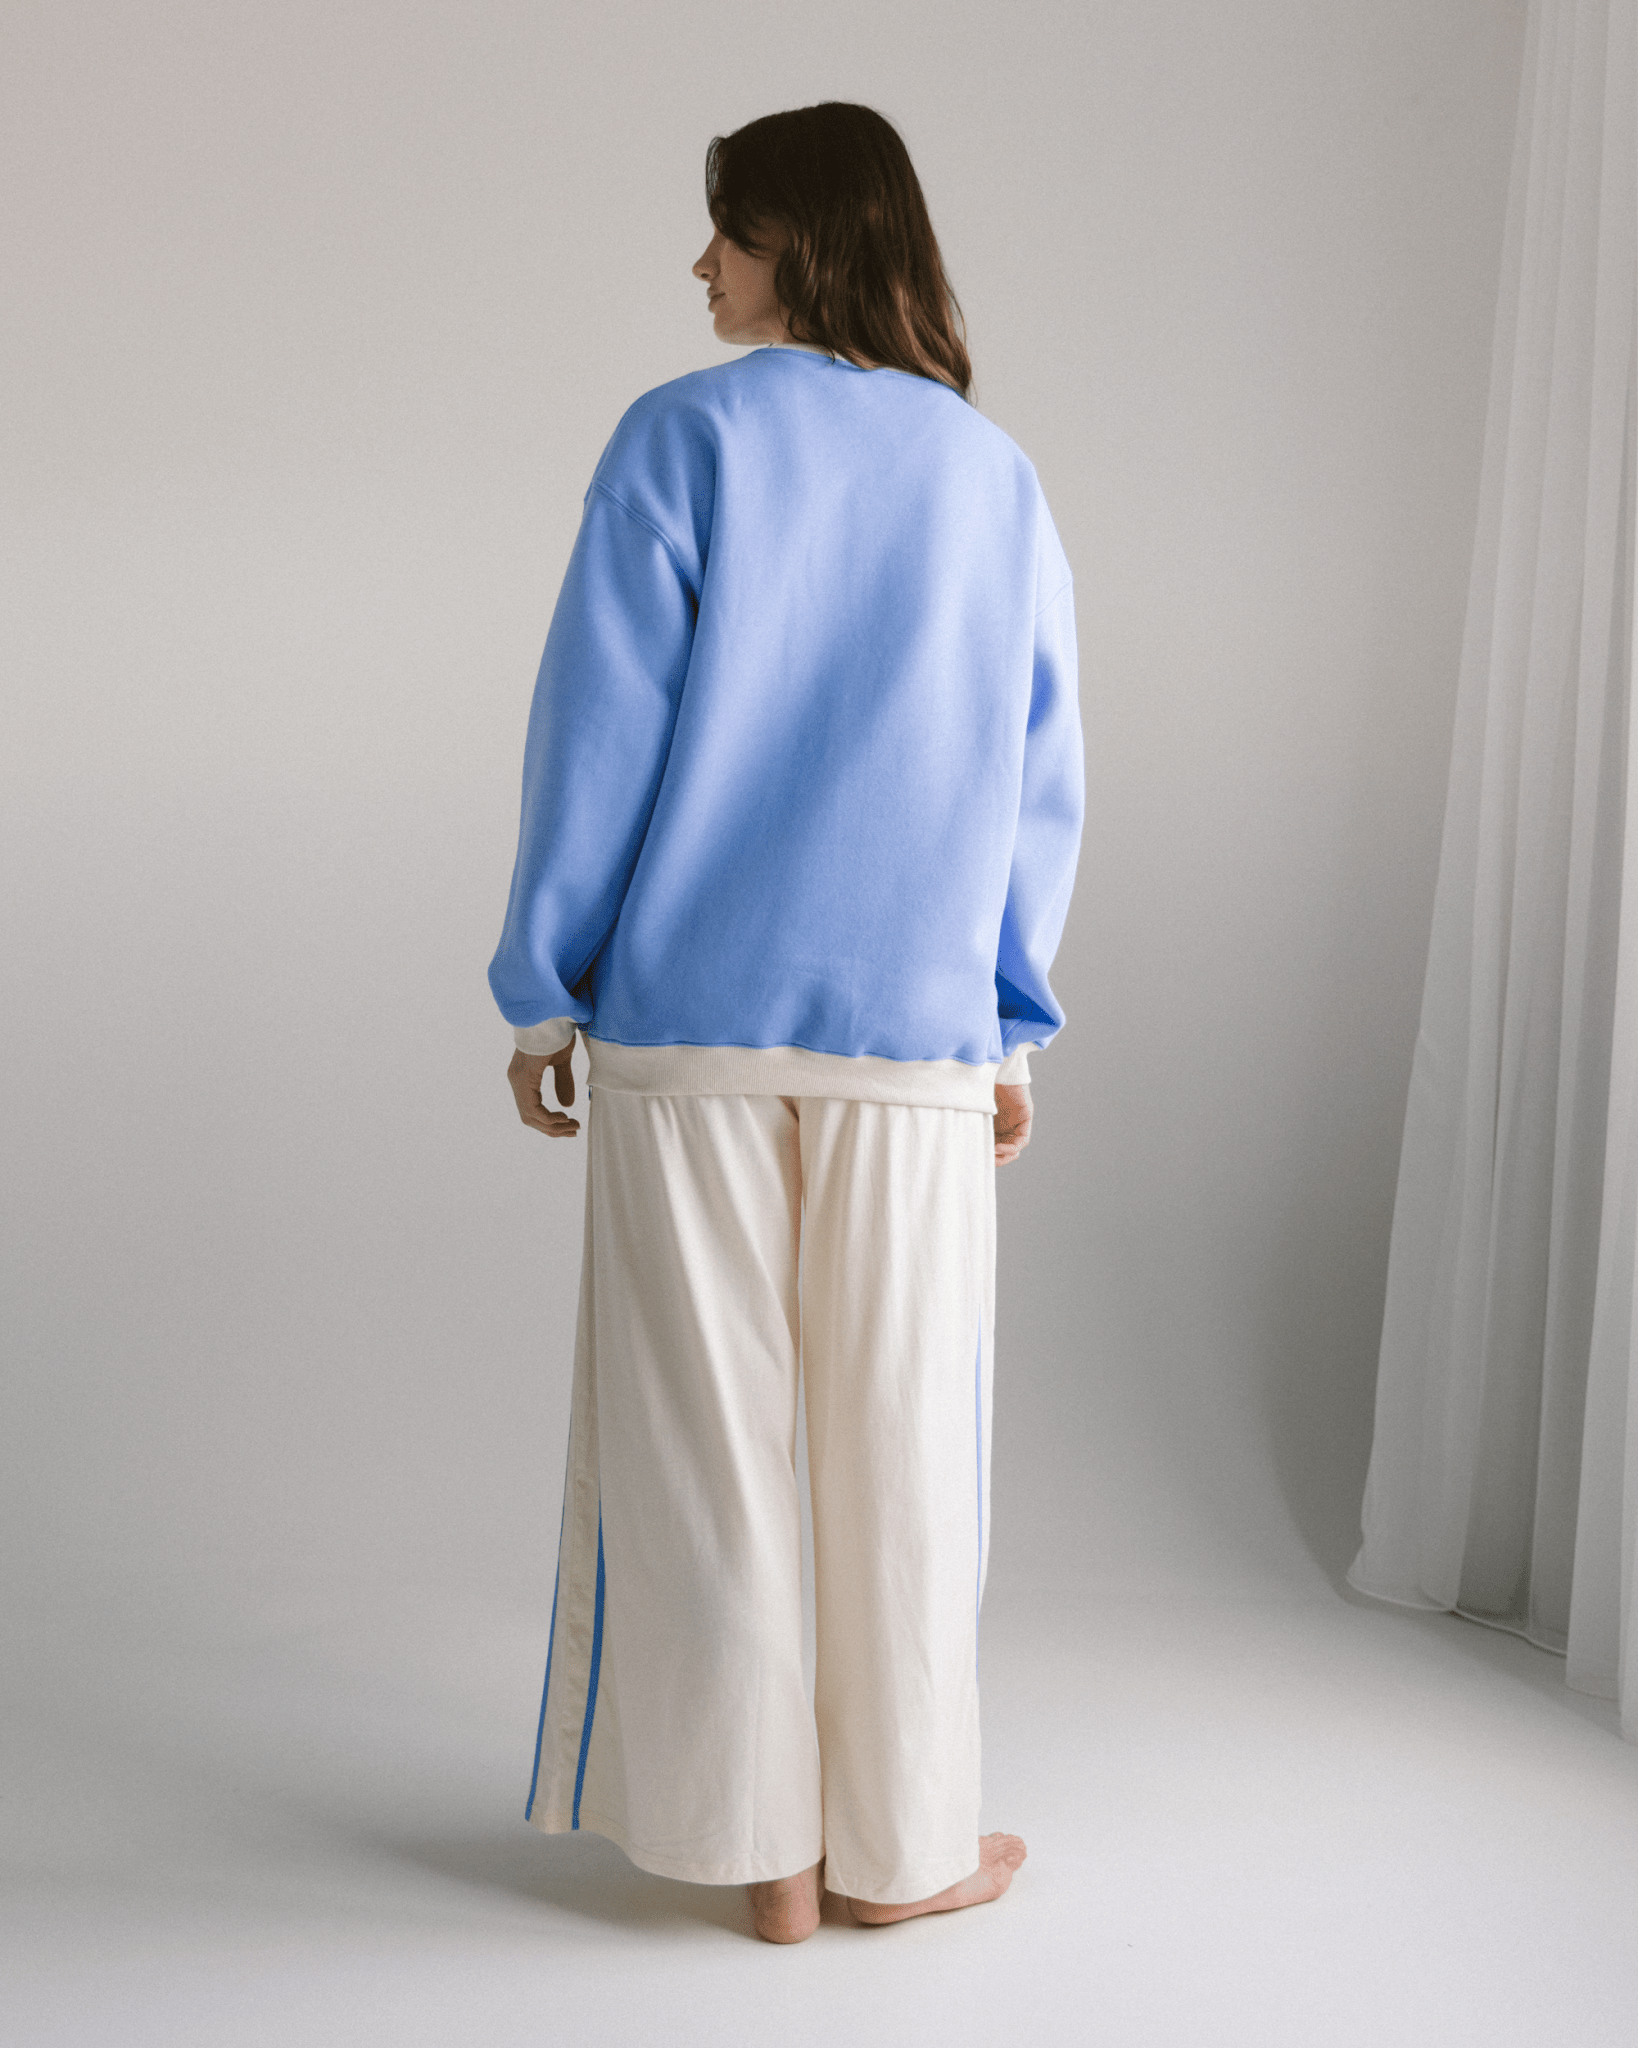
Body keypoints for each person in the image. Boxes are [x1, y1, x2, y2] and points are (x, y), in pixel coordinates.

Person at [489, 101, 1083, 1945]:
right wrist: (1006, 1024)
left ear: (810, 237)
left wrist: (544, 987)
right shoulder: (988, 473)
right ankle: (903, 1850)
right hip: (911, 1041)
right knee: (906, 1445)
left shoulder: (677, 438)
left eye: (729, 230)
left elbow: (596, 734)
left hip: (686, 1030)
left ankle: (767, 1864)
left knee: (705, 1444)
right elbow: (1029, 773)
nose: (702, 264)